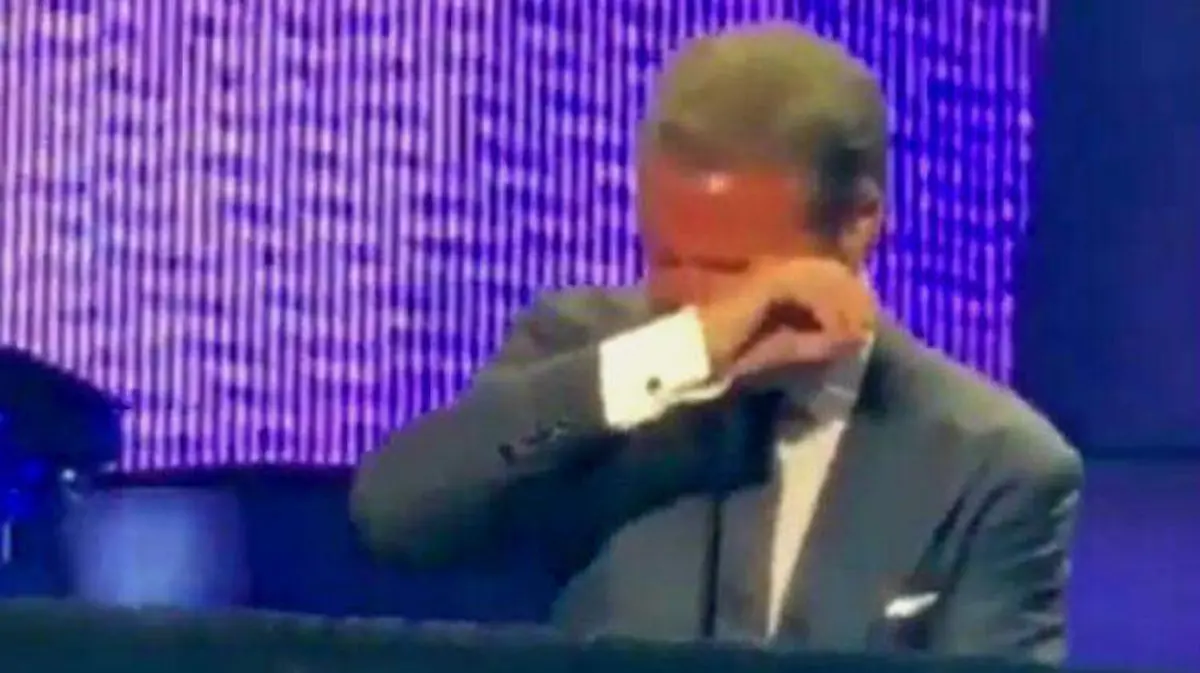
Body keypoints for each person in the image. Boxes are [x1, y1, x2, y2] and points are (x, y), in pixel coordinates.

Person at [351, 23, 1082, 664]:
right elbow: (397, 513)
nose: (694, 302)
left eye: (732, 271)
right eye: (666, 258)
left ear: (857, 224)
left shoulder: (992, 465)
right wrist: (684, 354)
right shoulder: (591, 364)